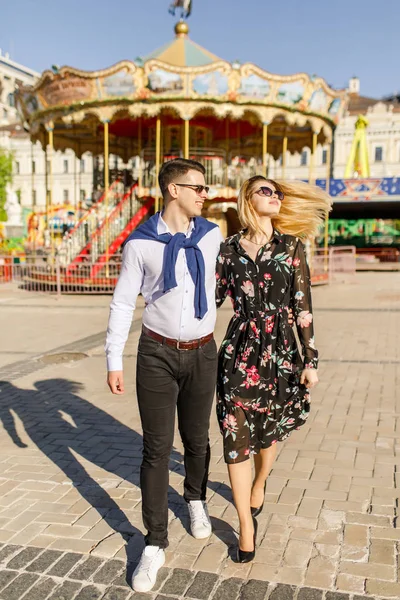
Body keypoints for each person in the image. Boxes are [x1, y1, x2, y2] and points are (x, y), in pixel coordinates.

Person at [105, 158, 223, 592]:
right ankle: (154, 542)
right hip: (155, 354)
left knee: (197, 439)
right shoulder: (140, 244)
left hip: (203, 353)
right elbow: (122, 303)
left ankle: (194, 499)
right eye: (198, 188)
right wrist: (113, 359)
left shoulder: (212, 236)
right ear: (174, 190)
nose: (204, 195)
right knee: (156, 450)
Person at [215, 176, 331, 563]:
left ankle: (261, 480)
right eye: (266, 191)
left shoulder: (292, 247)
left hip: (280, 354)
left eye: (278, 192)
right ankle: (245, 526)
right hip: (238, 350)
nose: (275, 196)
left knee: (267, 436)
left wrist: (309, 360)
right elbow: (210, 300)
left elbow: (303, 306)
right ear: (248, 198)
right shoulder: (227, 250)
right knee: (235, 436)